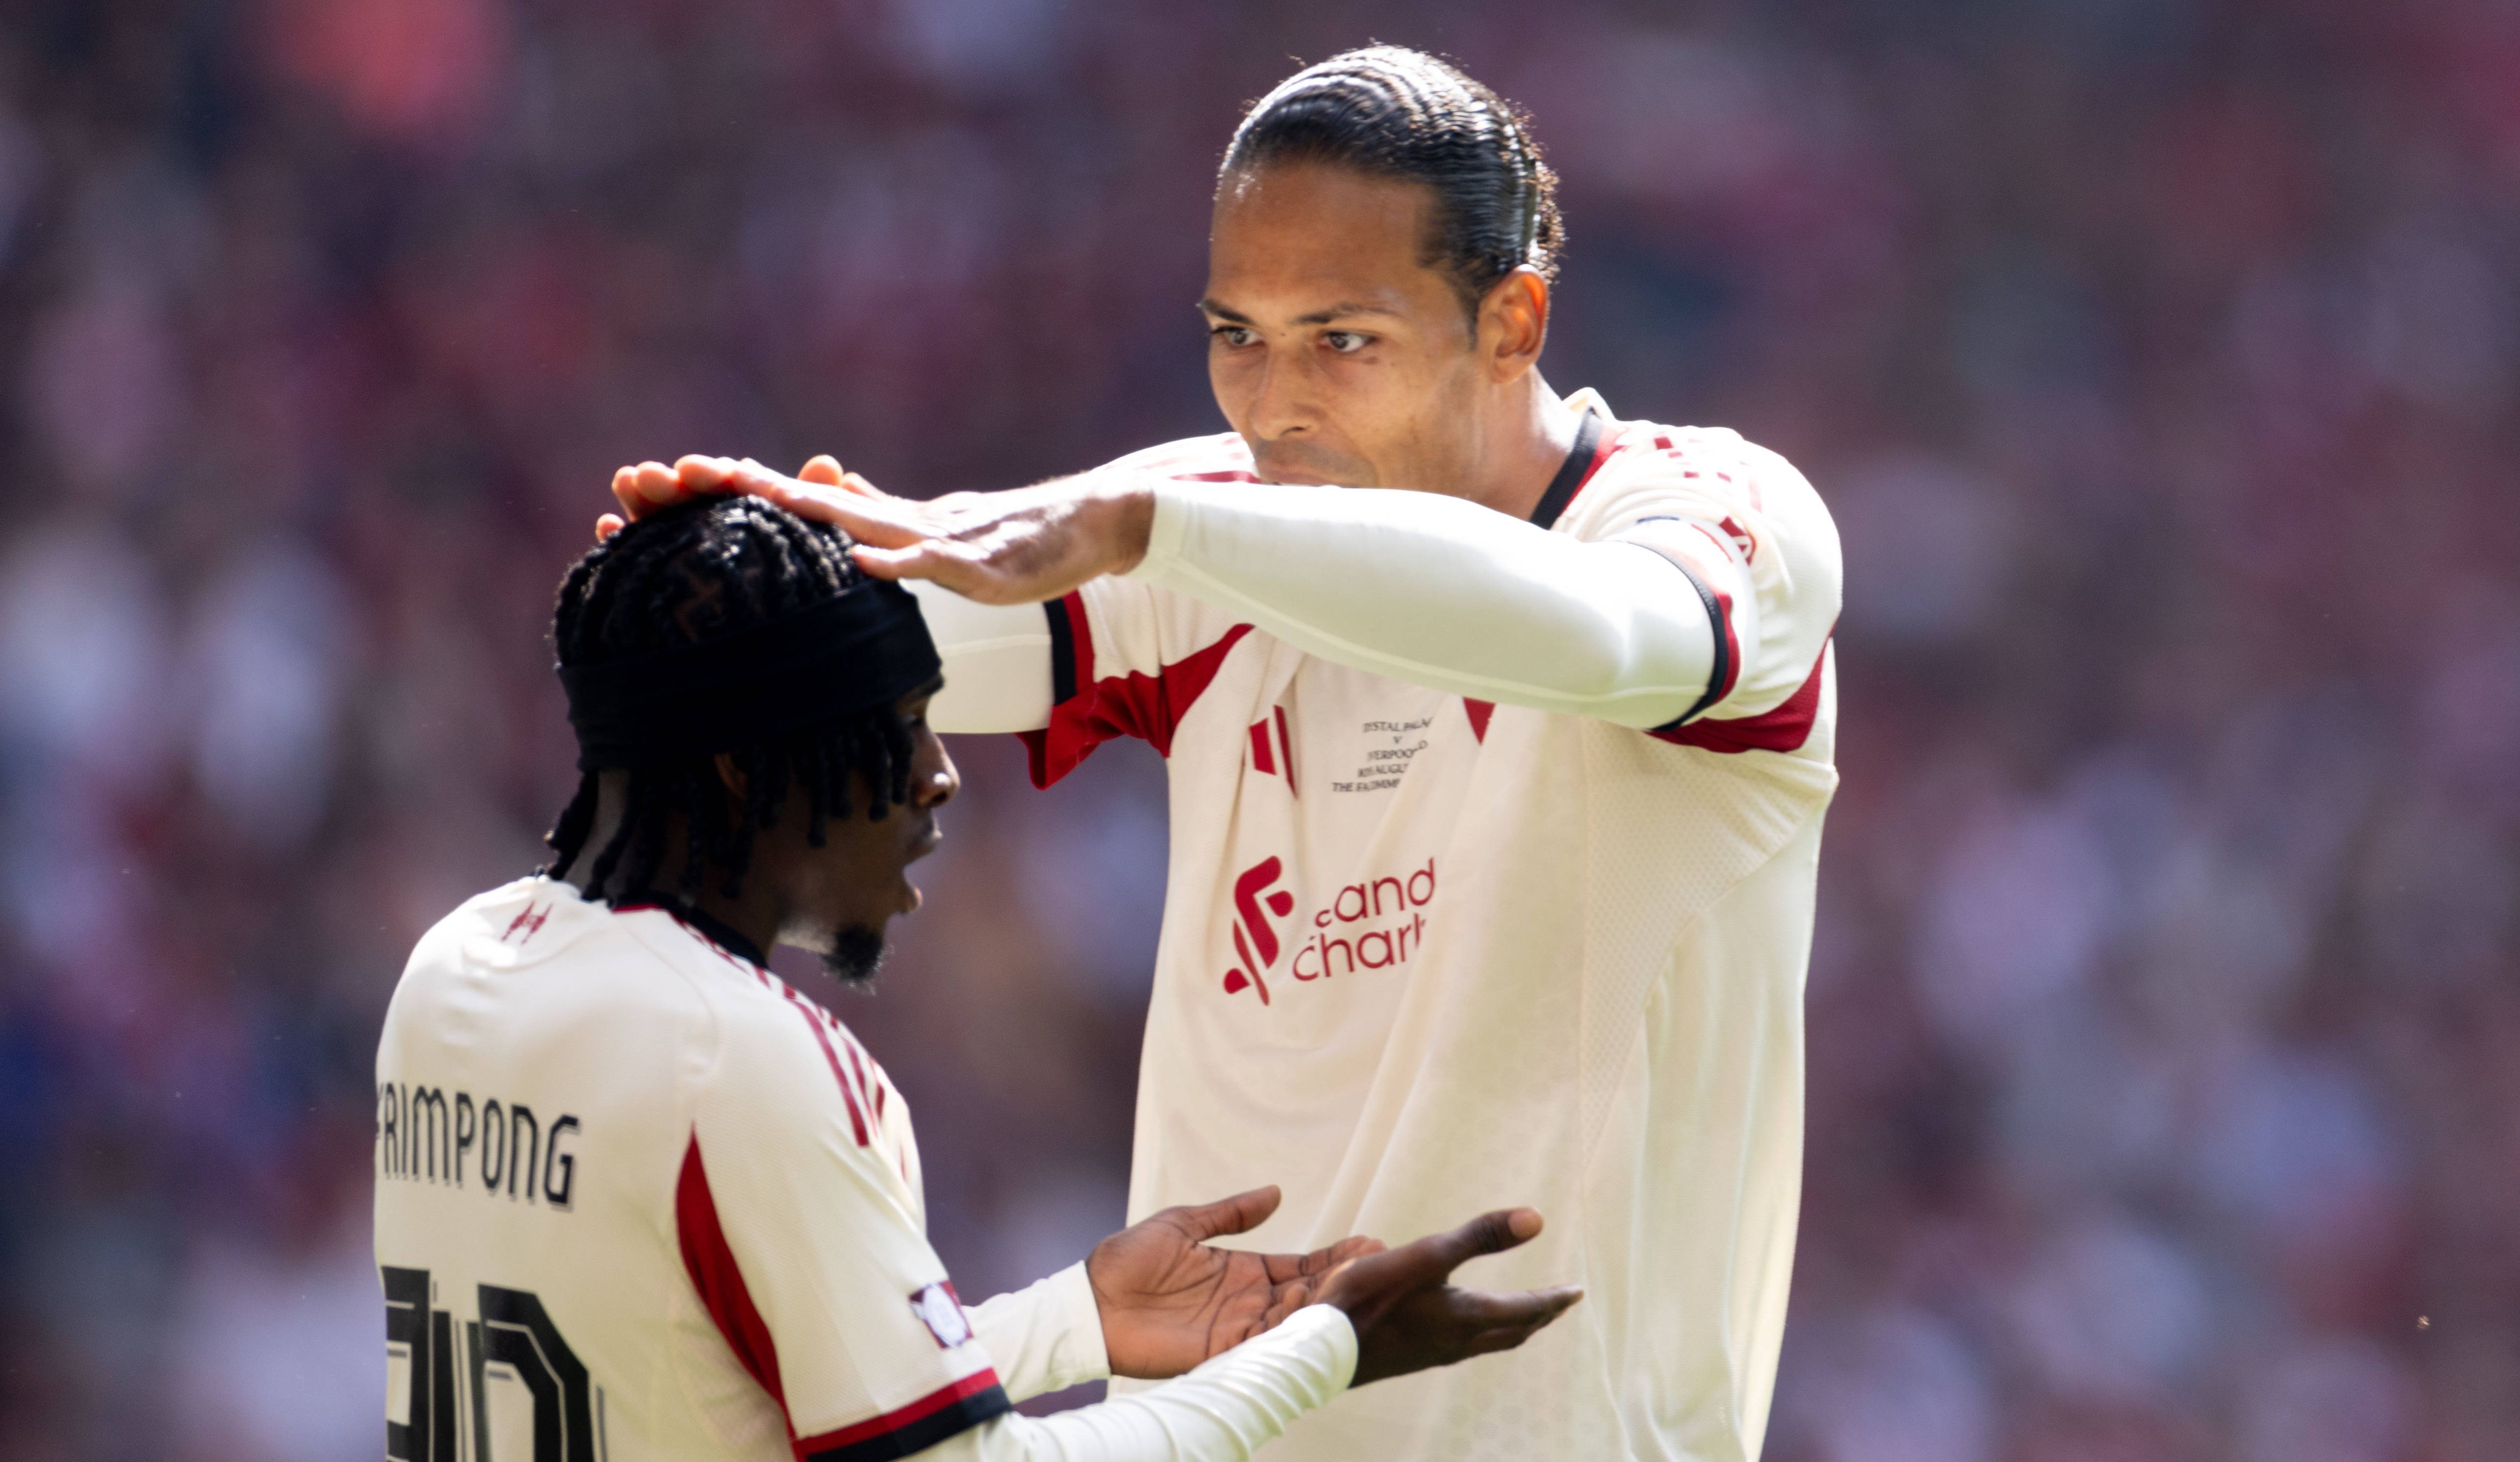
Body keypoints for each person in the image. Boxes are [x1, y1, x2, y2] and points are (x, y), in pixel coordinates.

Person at [612, 45, 1840, 1461]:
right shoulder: (1213, 527)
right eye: (1236, 334)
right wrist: (712, 607)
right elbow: (868, 638)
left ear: (1512, 322)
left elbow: (1617, 637)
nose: (1271, 406)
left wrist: (1148, 527)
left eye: (1343, 340)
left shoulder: (1715, 515)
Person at [372, 495, 1579, 1461]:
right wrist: (1324, 1346)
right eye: (897, 723)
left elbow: (716, 1385)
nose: (938, 774)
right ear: (746, 765)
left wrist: (1078, 1318)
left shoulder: (457, 970)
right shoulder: (739, 1054)